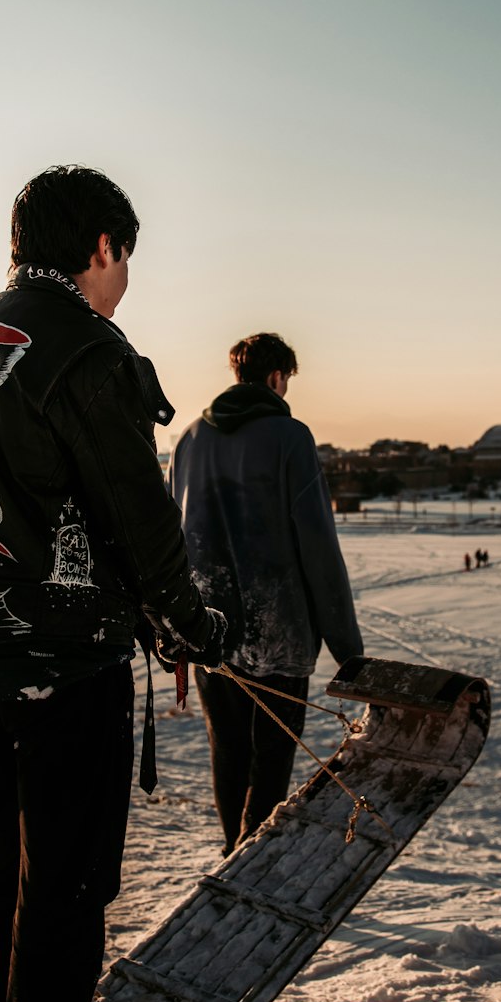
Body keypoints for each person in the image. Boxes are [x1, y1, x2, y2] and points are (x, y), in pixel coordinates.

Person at [0, 165, 224, 1002]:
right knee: (65, 885)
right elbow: (141, 522)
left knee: (0, 861)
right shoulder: (87, 349)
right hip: (62, 659)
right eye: (125, 255)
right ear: (102, 248)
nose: (126, 277)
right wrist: (189, 623)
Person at [169, 332, 363, 856]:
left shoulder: (188, 440)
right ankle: (250, 859)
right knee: (271, 759)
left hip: (209, 632)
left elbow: (172, 542)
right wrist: (349, 650)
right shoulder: (290, 436)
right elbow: (319, 549)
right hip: (278, 634)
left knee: (227, 752)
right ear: (278, 378)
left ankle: (234, 850)